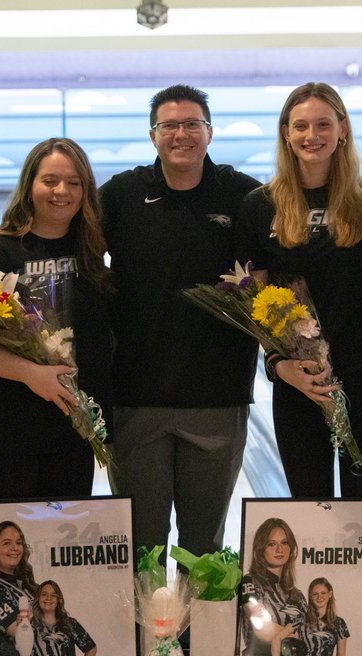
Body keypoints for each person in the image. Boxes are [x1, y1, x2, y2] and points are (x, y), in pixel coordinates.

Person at [100, 84, 260, 557]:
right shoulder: (123, 194)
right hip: (135, 399)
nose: (181, 134)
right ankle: (149, 635)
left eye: (192, 124)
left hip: (217, 399)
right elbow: (67, 249)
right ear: (153, 136)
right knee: (140, 547)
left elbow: (276, 279)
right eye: (170, 125)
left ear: (210, 132)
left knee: (203, 548)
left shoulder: (243, 195)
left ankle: (198, 636)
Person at [235, 82, 362, 498]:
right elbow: (255, 299)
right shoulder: (260, 205)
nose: (312, 136)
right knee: (309, 511)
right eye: (301, 126)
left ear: (342, 129)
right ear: (286, 133)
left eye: (323, 124)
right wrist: (279, 364)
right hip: (299, 380)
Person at [0, 138, 114, 500]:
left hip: (71, 429)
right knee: (3, 548)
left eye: (74, 182)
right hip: (2, 428)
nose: (62, 191)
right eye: (50, 181)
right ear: (29, 186)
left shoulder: (92, 250)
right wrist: (29, 374)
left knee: (61, 546)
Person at [239, 518, 308, 656]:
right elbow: (262, 628)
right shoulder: (250, 582)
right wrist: (293, 637)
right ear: (260, 549)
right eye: (271, 544)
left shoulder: (297, 596)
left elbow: (309, 635)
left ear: (291, 548)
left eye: (284, 543)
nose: (279, 549)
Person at [0, 521, 42, 656]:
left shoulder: (24, 584)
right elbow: (20, 631)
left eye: (18, 543)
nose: (15, 548)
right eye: (6, 543)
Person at [33, 580, 97, 656]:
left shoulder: (70, 623)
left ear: (58, 600)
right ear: (38, 598)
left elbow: (91, 649)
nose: (48, 598)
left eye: (53, 595)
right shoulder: (30, 625)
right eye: (44, 594)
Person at [301, 578, 349, 656]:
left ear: (330, 594)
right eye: (315, 594)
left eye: (323, 593)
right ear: (310, 596)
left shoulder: (339, 623)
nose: (319, 597)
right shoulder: (301, 620)